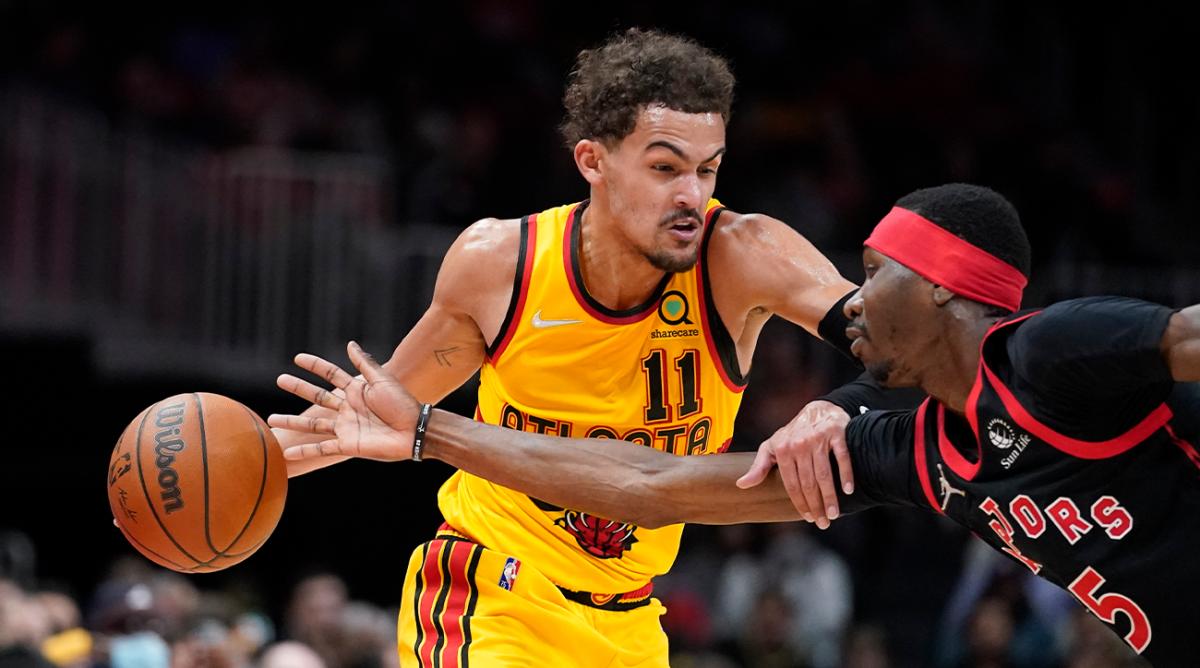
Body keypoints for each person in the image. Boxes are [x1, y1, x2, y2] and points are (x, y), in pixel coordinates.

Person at [270, 183, 1200, 665]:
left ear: (944, 288)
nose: (855, 295)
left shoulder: (1053, 352)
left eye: (875, 271)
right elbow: (651, 487)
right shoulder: (912, 451)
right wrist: (432, 434)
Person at [269, 27, 875, 667]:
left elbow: (895, 341)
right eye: (665, 167)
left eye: (707, 169)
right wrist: (222, 467)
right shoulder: (502, 264)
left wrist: (840, 406)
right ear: (592, 161)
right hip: (490, 594)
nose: (691, 196)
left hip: (632, 620)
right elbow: (363, 418)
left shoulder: (743, 255)